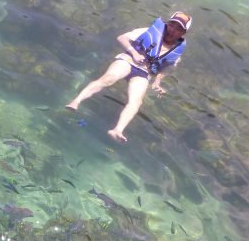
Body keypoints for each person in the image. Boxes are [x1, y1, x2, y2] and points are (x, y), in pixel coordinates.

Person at [65, 11, 191, 143]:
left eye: (178, 29)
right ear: (167, 23)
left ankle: (117, 130)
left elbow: (167, 69)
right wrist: (134, 53)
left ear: (183, 33)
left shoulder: (176, 52)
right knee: (109, 78)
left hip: (144, 72)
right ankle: (76, 101)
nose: (173, 30)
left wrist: (157, 82)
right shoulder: (148, 31)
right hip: (129, 60)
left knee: (136, 101)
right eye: (172, 25)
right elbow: (121, 38)